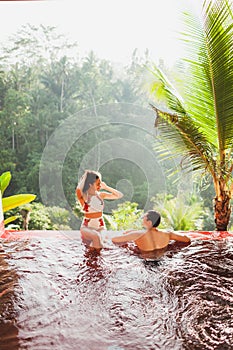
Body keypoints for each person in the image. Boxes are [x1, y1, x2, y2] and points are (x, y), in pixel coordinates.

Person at [112, 210, 191, 258]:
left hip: (145, 263)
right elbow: (187, 239)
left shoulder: (137, 234)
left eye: (144, 218)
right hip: (163, 261)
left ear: (149, 222)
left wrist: (131, 233)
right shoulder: (168, 234)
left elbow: (115, 239)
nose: (142, 219)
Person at [76, 170, 123, 249]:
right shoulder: (84, 196)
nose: (99, 185)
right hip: (86, 227)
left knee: (97, 241)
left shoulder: (101, 195)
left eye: (100, 183)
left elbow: (119, 195)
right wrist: (87, 175)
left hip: (101, 227)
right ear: (90, 184)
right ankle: (105, 250)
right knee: (97, 237)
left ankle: (95, 258)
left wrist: (106, 187)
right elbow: (78, 189)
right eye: (97, 183)